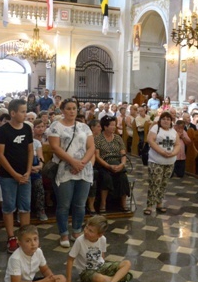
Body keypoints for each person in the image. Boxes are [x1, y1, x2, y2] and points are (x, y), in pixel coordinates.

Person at [48, 99, 95, 248]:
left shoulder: (84, 127)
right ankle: (63, 233)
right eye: (68, 108)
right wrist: (73, 162)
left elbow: (91, 147)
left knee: (80, 204)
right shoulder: (56, 126)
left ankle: (76, 231)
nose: (72, 111)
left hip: (83, 170)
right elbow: (55, 148)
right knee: (64, 205)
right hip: (65, 169)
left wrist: (81, 164)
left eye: (74, 108)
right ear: (62, 110)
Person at [0, 99, 34, 253]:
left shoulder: (26, 128)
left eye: (25, 111)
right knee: (9, 207)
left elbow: (30, 150)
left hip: (25, 175)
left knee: (25, 206)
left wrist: (28, 171)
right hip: (8, 176)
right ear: (13, 113)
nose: (25, 114)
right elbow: (0, 154)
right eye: (23, 111)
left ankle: (25, 236)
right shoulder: (4, 130)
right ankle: (11, 237)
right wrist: (14, 174)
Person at [64, 216, 132, 282]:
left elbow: (102, 255)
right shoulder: (79, 241)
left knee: (127, 263)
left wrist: (106, 267)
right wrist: (68, 281)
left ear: (99, 235)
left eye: (90, 231)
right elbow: (70, 260)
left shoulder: (103, 239)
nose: (86, 231)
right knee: (99, 278)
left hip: (101, 267)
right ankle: (119, 277)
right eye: (86, 227)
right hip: (86, 272)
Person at [144, 112, 180, 215]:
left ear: (171, 121)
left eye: (168, 119)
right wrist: (162, 152)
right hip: (156, 160)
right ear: (160, 120)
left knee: (164, 183)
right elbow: (150, 140)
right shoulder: (156, 128)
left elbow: (177, 144)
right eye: (164, 119)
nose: (166, 121)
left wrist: (173, 153)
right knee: (155, 183)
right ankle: (149, 206)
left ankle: (159, 203)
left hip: (170, 161)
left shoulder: (173, 131)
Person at [94, 115, 131, 213]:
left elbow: (123, 154)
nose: (114, 127)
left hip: (117, 163)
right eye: (112, 125)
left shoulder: (118, 138)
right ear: (105, 127)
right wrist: (108, 166)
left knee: (123, 177)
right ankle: (103, 203)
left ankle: (123, 203)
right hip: (104, 164)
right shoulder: (98, 138)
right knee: (106, 178)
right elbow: (97, 156)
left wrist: (122, 164)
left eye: (115, 125)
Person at [31, 119, 48, 221]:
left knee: (38, 184)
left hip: (35, 169)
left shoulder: (36, 142)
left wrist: (40, 165)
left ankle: (41, 210)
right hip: (24, 171)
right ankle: (22, 210)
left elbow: (41, 157)